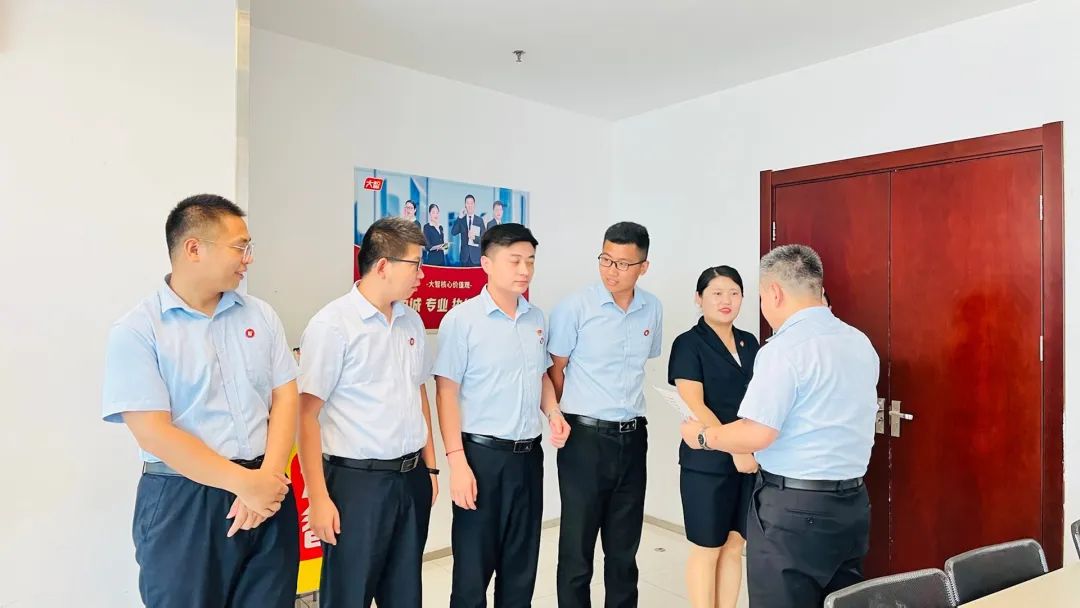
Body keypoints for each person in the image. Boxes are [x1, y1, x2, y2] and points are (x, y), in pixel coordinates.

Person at [101, 194, 299, 608]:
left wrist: (267, 477)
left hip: (268, 487)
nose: (248, 259)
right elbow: (153, 432)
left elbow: (284, 394)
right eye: (240, 247)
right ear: (194, 248)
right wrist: (243, 484)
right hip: (184, 500)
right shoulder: (139, 330)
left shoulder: (260, 315)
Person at [680, 244, 879, 608]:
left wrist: (705, 437)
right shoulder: (859, 342)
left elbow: (759, 432)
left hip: (794, 510)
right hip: (852, 504)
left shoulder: (783, 348)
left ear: (774, 292)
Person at [296, 218, 439, 607]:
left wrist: (430, 468)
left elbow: (418, 391)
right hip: (356, 485)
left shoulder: (410, 321)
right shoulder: (333, 326)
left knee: (405, 593)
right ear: (383, 266)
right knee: (350, 593)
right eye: (415, 265)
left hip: (411, 479)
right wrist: (317, 498)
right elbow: (305, 416)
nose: (422, 275)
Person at [433, 223, 571, 607]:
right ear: (486, 264)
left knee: (520, 569)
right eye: (515, 261)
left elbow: (541, 376)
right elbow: (446, 392)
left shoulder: (536, 318)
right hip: (481, 458)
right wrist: (457, 463)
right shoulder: (462, 320)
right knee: (472, 573)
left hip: (528, 458)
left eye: (530, 261)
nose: (524, 270)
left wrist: (553, 411)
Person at [547, 221, 662, 608]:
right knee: (577, 549)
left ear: (643, 267)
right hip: (585, 438)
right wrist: (563, 416)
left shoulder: (652, 309)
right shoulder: (575, 307)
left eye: (623, 264)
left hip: (633, 436)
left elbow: (642, 364)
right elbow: (556, 370)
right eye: (606, 260)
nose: (612, 271)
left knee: (624, 551)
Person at [668, 266, 759, 608]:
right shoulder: (688, 343)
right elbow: (694, 402)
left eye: (734, 293)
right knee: (707, 547)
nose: (726, 300)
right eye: (716, 293)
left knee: (735, 545)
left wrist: (747, 449)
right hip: (707, 461)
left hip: (748, 459)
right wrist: (734, 449)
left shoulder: (750, 343)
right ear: (699, 298)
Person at [451, 194, 485, 267]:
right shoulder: (461, 220)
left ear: (474, 205)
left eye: (471, 203)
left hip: (476, 258)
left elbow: (484, 240)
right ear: (465, 205)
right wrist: (459, 217)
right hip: (464, 258)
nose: (469, 205)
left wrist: (475, 238)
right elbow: (453, 232)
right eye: (467, 203)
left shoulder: (479, 220)